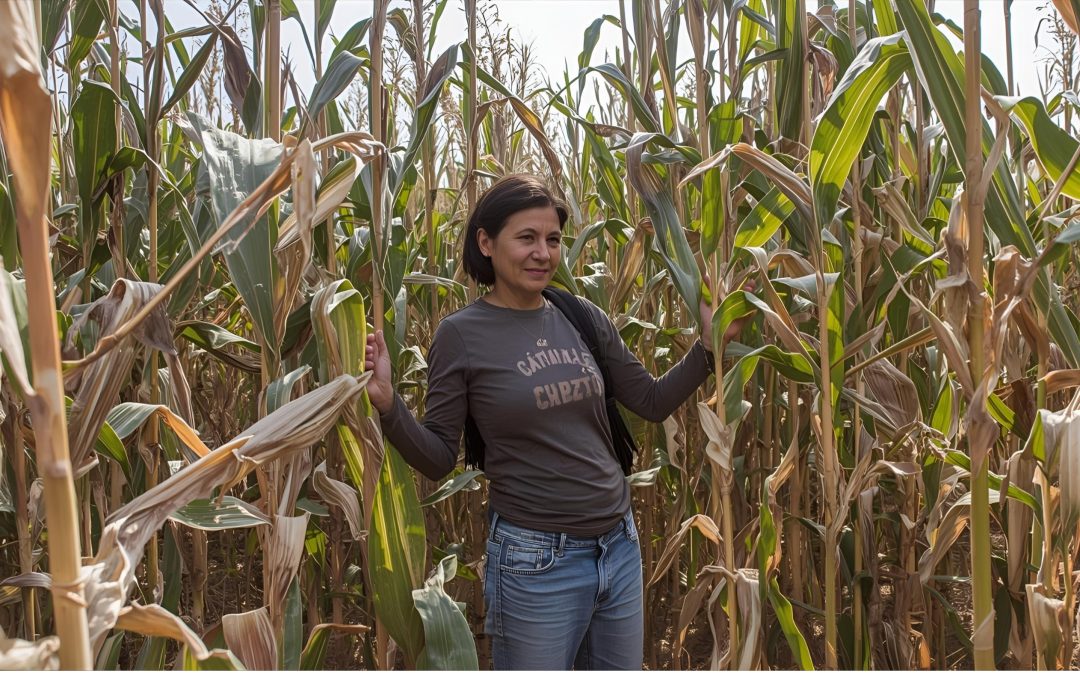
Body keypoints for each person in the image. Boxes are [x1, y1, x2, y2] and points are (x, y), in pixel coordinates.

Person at [364, 174, 741, 670]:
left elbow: (650, 401)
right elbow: (437, 457)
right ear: (486, 242)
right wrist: (388, 405)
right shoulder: (461, 335)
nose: (543, 253)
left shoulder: (581, 315)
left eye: (553, 239)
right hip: (536, 563)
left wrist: (708, 348)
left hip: (618, 547)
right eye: (527, 238)